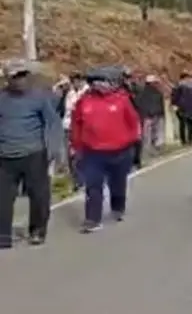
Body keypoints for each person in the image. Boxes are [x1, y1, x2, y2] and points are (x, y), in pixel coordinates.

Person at [0, 60, 63, 248]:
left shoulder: (39, 98)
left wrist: (53, 149)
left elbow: (52, 123)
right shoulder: (1, 99)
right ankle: (3, 235)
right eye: (15, 77)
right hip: (5, 156)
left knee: (38, 194)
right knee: (3, 197)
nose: (20, 80)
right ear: (7, 79)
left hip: (34, 153)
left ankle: (37, 230)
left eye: (23, 75)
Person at [71, 67, 142, 233]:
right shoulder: (84, 101)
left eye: (103, 81)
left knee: (117, 182)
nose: (99, 84)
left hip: (120, 151)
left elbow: (133, 122)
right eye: (96, 81)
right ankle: (92, 219)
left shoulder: (122, 100)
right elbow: (77, 125)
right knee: (93, 185)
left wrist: (132, 143)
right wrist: (76, 146)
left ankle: (118, 207)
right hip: (93, 152)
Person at [133, 74, 166, 162]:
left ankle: (153, 150)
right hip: (150, 116)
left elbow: (160, 104)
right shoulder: (143, 93)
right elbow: (138, 104)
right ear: (150, 83)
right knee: (149, 134)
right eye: (155, 83)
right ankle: (149, 151)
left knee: (154, 134)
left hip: (154, 115)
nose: (156, 84)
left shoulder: (156, 92)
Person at [171, 73, 192, 146]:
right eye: (186, 79)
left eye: (188, 78)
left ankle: (190, 140)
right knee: (182, 124)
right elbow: (174, 97)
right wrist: (175, 105)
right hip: (182, 108)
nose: (188, 80)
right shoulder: (178, 87)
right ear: (182, 79)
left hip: (191, 108)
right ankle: (183, 141)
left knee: (190, 124)